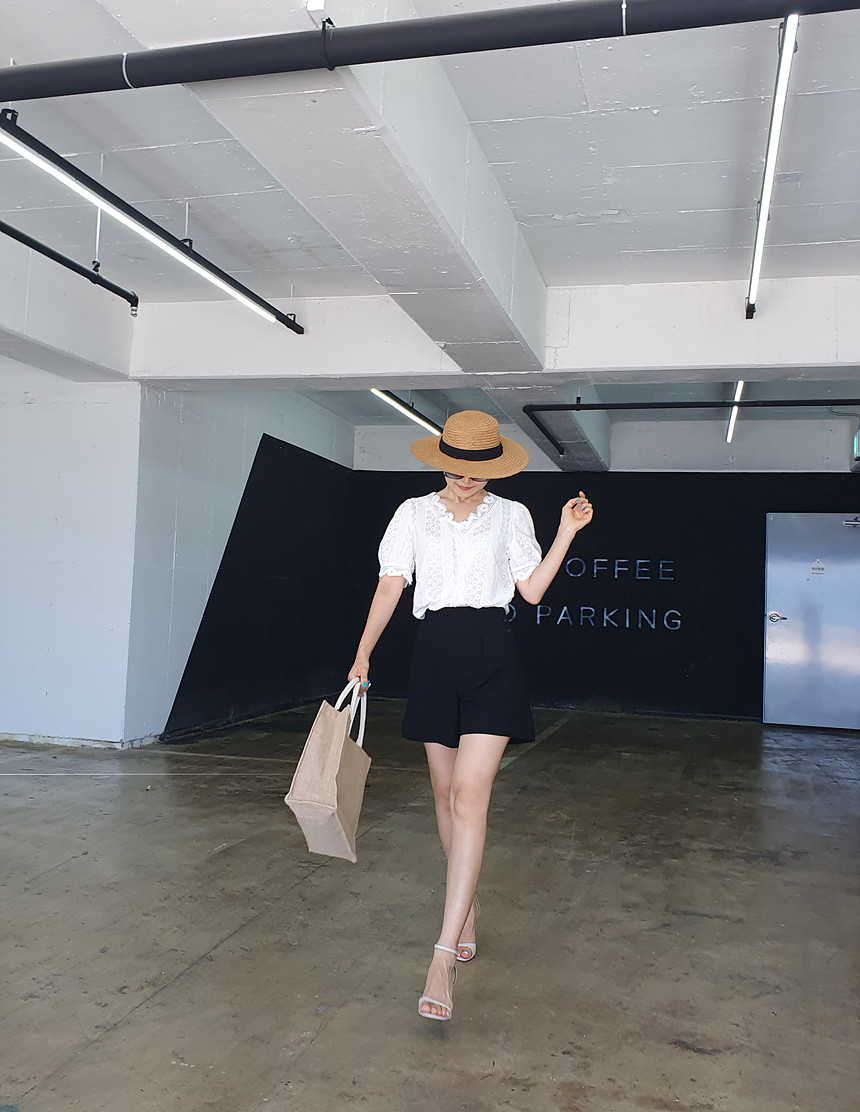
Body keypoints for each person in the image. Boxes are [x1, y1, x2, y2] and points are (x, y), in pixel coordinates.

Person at [347, 410, 594, 1021]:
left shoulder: (511, 515)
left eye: (479, 472)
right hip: (434, 654)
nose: (467, 480)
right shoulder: (412, 513)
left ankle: (441, 957)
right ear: (443, 461)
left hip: (492, 655)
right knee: (443, 791)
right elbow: (391, 585)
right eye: (458, 469)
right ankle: (468, 907)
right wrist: (363, 653)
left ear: (494, 469)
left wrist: (566, 532)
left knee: (469, 795)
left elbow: (531, 590)